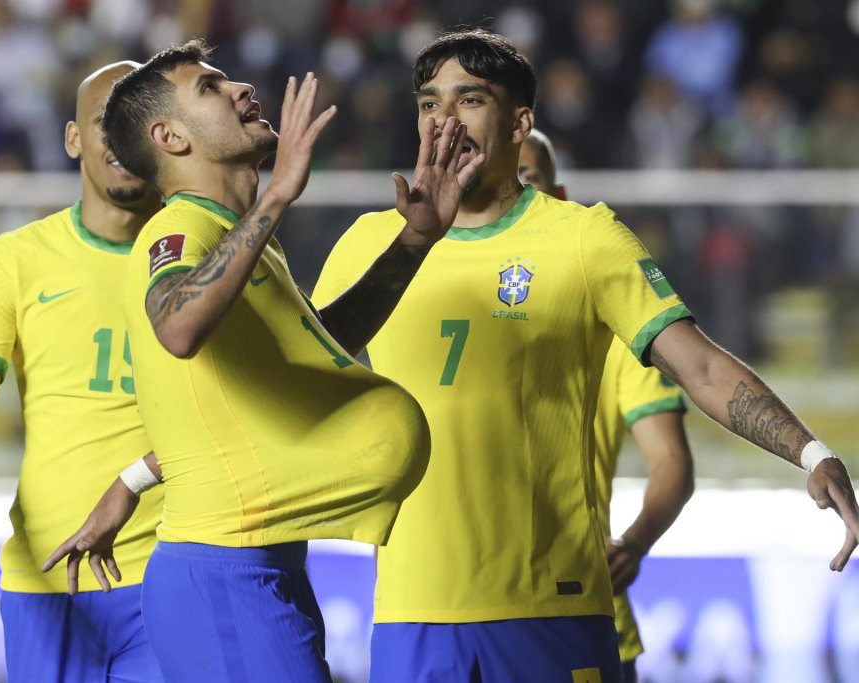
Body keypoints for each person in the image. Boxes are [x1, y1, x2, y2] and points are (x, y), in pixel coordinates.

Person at [311, 29, 859, 683]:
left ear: (521, 123)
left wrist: (810, 452)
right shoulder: (369, 242)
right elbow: (300, 375)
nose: (444, 121)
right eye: (430, 103)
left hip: (552, 605)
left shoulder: (584, 238)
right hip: (409, 611)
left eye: (470, 100)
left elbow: (702, 366)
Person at [44, 39, 483, 681]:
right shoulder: (179, 230)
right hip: (223, 573)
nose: (241, 89)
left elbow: (317, 350)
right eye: (210, 86)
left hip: (260, 561)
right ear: (169, 137)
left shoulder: (242, 241)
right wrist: (277, 196)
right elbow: (177, 325)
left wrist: (415, 241)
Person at [0, 61, 167, 682]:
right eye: (106, 123)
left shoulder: (208, 255)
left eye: (140, 122)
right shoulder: (15, 259)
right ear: (73, 139)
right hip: (47, 580)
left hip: (171, 573)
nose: (122, 139)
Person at [519, 128, 695, 683]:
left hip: (581, 605)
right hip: (452, 606)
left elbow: (671, 461)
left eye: (525, 177)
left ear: (558, 193)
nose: (508, 189)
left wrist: (634, 543)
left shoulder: (615, 324)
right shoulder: (438, 296)